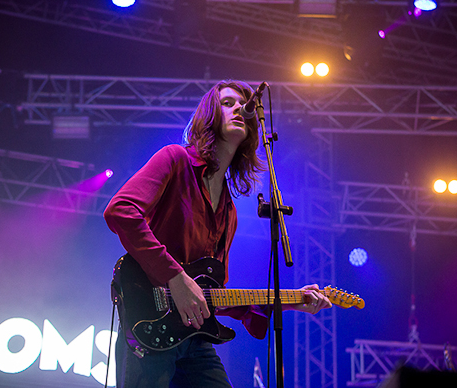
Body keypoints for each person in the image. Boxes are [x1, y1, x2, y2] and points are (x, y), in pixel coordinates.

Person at [103, 80, 332, 388]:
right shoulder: (175, 159)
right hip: (149, 324)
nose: (239, 107)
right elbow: (121, 211)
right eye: (228, 103)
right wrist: (175, 277)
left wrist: (289, 301)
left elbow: (211, 294)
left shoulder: (229, 209)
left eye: (243, 103)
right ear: (210, 115)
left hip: (194, 336)